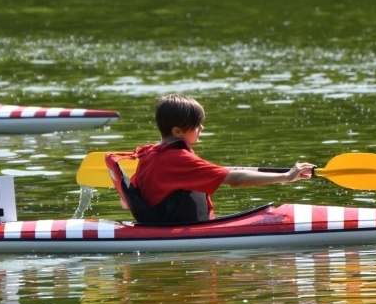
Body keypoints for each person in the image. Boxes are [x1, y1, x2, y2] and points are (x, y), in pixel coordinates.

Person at [127, 94, 315, 224]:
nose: (202, 128)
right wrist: (287, 176)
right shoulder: (179, 159)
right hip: (179, 231)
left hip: (160, 226)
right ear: (177, 131)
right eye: (197, 125)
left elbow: (125, 202)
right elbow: (235, 179)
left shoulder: (148, 154)